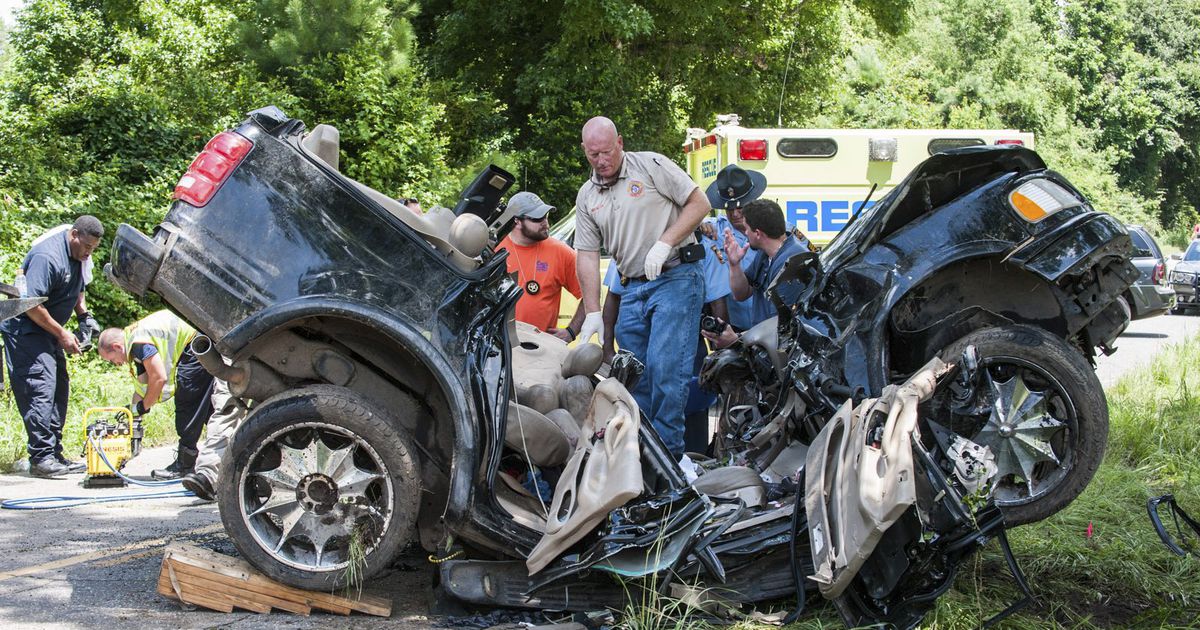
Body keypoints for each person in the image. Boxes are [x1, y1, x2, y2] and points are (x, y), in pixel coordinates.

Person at [574, 116, 709, 457]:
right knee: (635, 378)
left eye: (606, 152)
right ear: (584, 151)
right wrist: (592, 310)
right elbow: (587, 254)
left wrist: (666, 241)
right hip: (631, 290)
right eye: (593, 155)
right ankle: (641, 458)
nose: (601, 161)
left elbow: (700, 203)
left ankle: (671, 461)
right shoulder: (588, 196)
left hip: (674, 278)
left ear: (619, 143)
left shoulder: (650, 166)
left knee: (667, 372)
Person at [97, 311, 245, 498]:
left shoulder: (138, 343)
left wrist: (142, 407)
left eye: (111, 360)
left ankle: (185, 464)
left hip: (195, 345)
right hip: (199, 341)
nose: (115, 364)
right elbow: (144, 385)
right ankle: (235, 456)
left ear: (117, 347)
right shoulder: (134, 338)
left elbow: (158, 378)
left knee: (188, 403)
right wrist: (133, 415)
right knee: (206, 409)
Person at [1, 216, 103, 478]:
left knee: (59, 388)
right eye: (86, 247)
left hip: (48, 332)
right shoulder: (47, 257)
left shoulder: (79, 256)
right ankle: (41, 458)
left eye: (93, 249)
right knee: (40, 388)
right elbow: (31, 304)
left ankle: (54, 453)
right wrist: (63, 333)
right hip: (26, 330)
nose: (88, 253)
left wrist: (84, 317)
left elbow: (77, 290)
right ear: (74, 235)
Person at [707, 199, 808, 349]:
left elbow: (780, 326)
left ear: (758, 233)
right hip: (765, 344)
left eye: (747, 229)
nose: (745, 233)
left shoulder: (791, 264)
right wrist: (734, 264)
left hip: (784, 352)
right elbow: (741, 294)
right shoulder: (764, 254)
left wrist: (737, 339)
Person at [496, 191, 586, 341]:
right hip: (498, 346)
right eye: (538, 218)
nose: (545, 223)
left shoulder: (561, 252)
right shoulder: (495, 250)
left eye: (546, 216)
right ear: (517, 221)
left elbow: (590, 295)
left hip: (540, 349)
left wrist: (571, 331)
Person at [700, 165, 769, 331]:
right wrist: (698, 226)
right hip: (736, 327)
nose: (735, 214)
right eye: (729, 209)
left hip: (772, 325)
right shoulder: (713, 231)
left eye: (740, 207)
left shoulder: (776, 228)